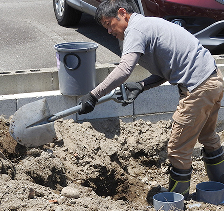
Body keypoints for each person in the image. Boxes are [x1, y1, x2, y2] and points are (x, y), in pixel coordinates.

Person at [78, 0, 224, 198]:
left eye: (108, 24)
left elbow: (124, 69)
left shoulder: (135, 30)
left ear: (122, 13)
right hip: (212, 79)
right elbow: (168, 68)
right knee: (208, 137)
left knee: (177, 150)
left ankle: (174, 201)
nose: (109, 31)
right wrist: (142, 86)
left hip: (198, 88)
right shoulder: (147, 25)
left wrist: (94, 95)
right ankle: (219, 190)